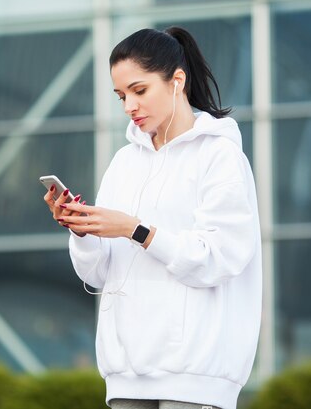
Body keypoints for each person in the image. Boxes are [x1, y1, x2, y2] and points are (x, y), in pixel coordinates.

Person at [43, 26, 262, 409]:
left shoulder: (220, 157)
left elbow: (217, 259)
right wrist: (82, 230)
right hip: (126, 375)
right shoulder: (125, 162)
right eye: (121, 95)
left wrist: (134, 229)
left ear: (177, 80)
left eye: (139, 91)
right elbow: (96, 274)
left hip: (196, 377)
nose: (129, 106)